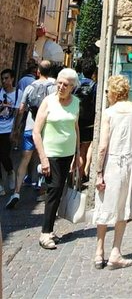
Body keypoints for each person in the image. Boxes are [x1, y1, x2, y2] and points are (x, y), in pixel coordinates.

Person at [93, 74, 132, 270]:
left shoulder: (109, 113)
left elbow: (103, 146)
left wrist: (98, 172)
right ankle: (116, 252)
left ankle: (99, 252)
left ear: (112, 92)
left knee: (104, 206)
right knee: (123, 207)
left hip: (111, 163)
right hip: (130, 162)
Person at [32, 68, 82, 250]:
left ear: (72, 87)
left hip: (67, 155)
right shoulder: (48, 102)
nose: (61, 87)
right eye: (59, 83)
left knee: (59, 190)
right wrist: (43, 159)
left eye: (65, 85)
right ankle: (45, 233)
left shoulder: (76, 103)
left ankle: (50, 229)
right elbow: (36, 132)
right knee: (53, 191)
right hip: (51, 154)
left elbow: (75, 128)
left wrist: (78, 154)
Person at [6, 60, 55, 209]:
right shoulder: (54, 88)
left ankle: (16, 192)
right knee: (44, 159)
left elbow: (21, 110)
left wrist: (16, 129)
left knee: (24, 159)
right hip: (46, 130)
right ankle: (41, 190)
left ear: (38, 71)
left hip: (29, 128)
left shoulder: (29, 87)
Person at [74, 59, 98, 179]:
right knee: (84, 150)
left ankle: (71, 176)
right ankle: (80, 176)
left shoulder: (75, 84)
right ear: (94, 71)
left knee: (74, 149)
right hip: (88, 122)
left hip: (75, 120)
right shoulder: (94, 86)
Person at [0, 69, 22, 195]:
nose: (4, 81)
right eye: (2, 79)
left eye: (6, 78)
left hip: (8, 129)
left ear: (12, 79)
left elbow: (19, 114)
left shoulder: (18, 94)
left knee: (4, 155)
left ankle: (10, 171)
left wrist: (16, 130)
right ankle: (0, 185)